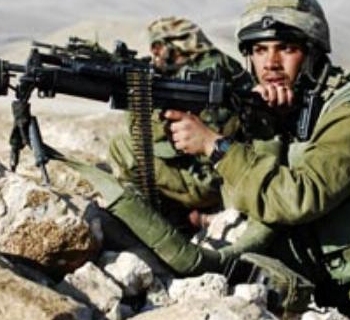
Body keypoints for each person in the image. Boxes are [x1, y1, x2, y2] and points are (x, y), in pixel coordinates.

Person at [158, 0, 350, 320]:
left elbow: (300, 197)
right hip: (322, 284)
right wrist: (261, 130)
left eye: (286, 49)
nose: (271, 63)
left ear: (312, 54)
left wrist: (216, 148)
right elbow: (242, 200)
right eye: (259, 50)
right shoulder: (274, 109)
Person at [108, 16, 252, 231]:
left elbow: (211, 136)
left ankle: (155, 224)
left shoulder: (205, 72)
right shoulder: (217, 63)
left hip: (213, 181)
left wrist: (156, 118)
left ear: (174, 45)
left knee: (123, 147)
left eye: (158, 47)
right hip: (230, 172)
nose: (154, 54)